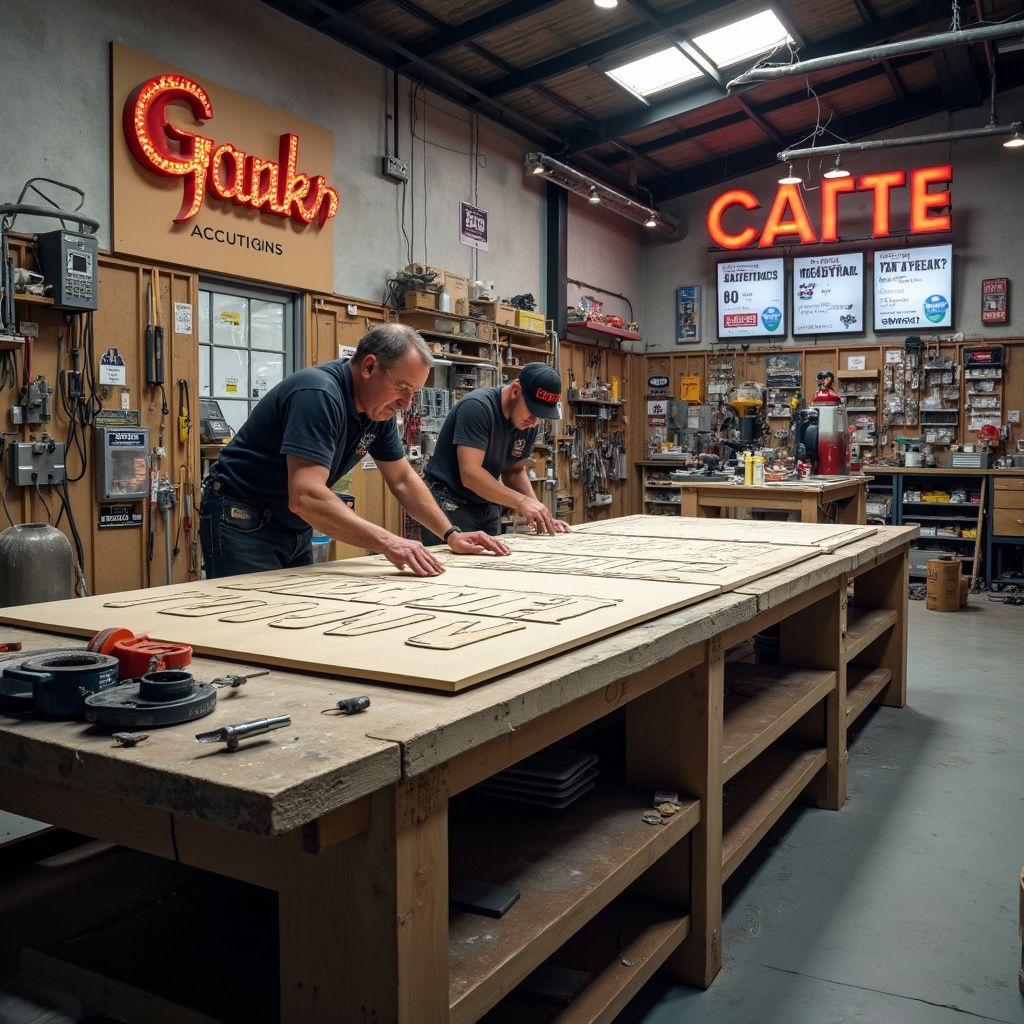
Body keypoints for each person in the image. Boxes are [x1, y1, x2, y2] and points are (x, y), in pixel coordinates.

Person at [199, 323, 510, 578]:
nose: (406, 404)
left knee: (289, 619)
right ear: (369, 366)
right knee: (248, 625)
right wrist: (389, 541)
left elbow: (402, 478)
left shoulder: (377, 411)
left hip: (291, 522)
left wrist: (450, 533)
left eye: (414, 393)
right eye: (402, 388)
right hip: (241, 516)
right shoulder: (319, 394)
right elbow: (305, 494)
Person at [421, 362, 570, 543]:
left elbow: (513, 472)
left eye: (540, 414)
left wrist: (539, 512)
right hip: (450, 505)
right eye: (532, 410)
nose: (534, 421)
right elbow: (470, 474)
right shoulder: (477, 407)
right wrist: (521, 502)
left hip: (487, 505)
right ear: (516, 390)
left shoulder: (527, 421)